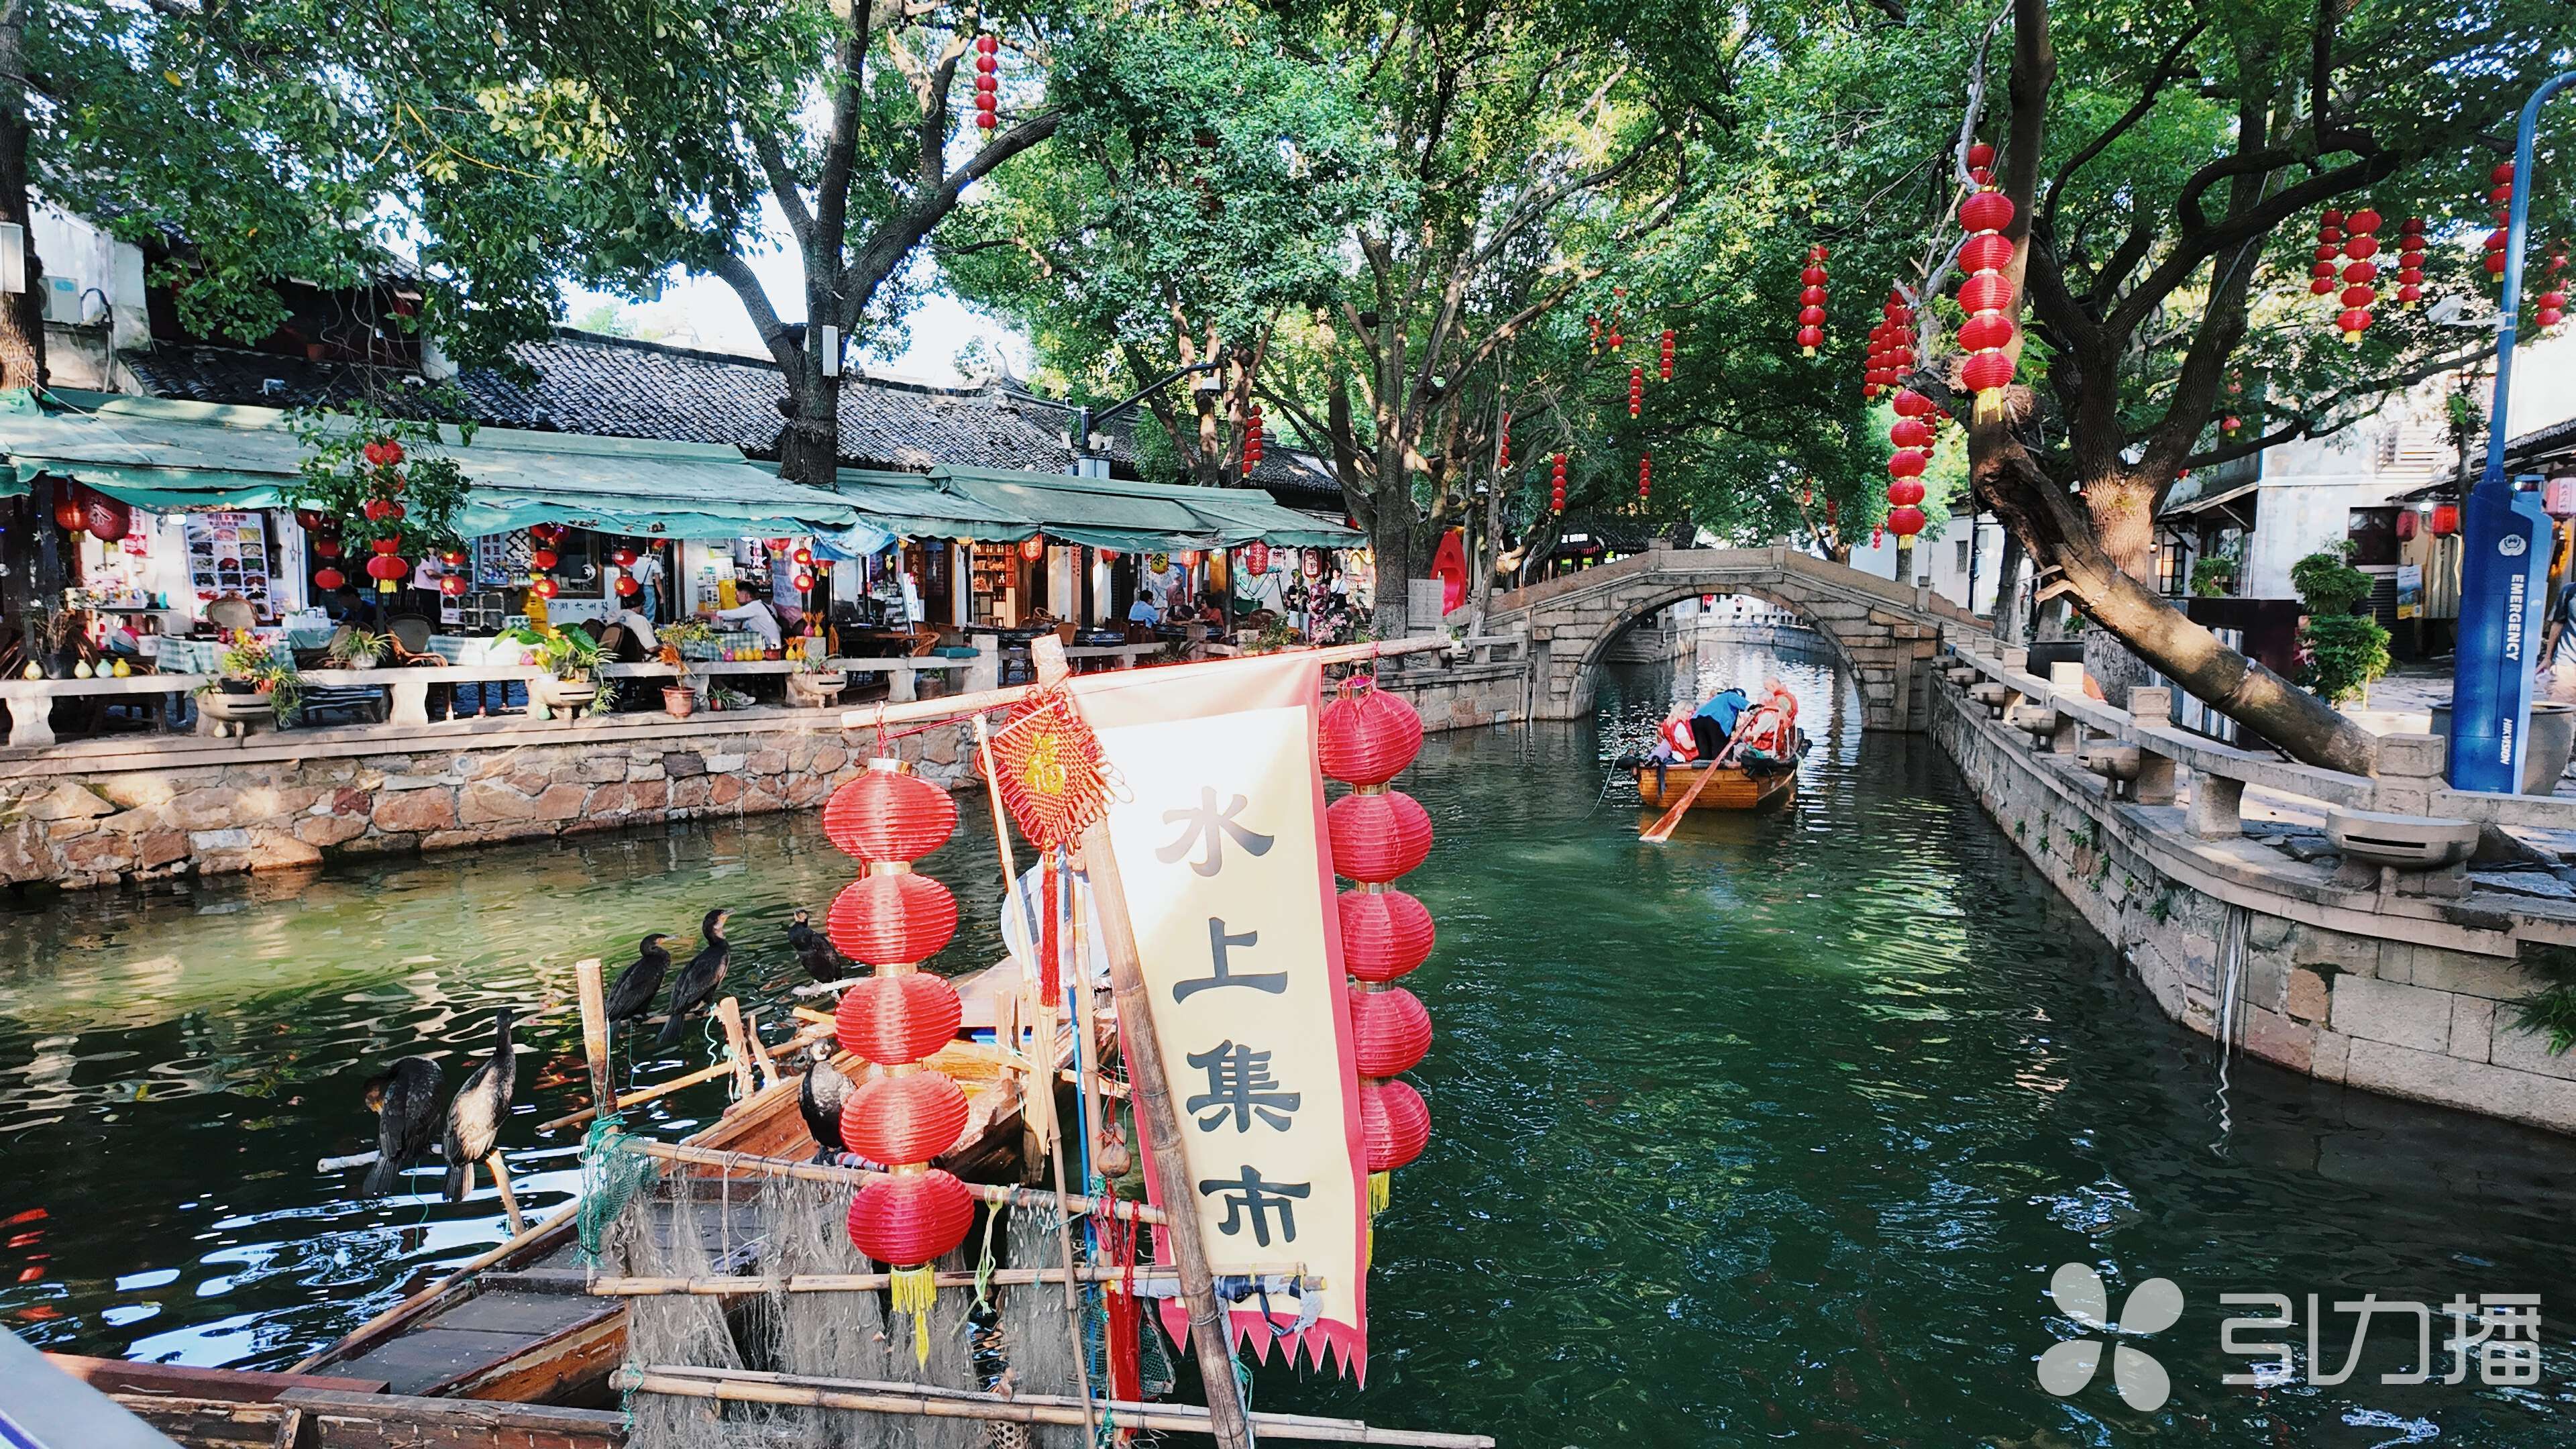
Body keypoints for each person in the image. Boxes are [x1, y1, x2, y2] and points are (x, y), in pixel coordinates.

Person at [1648, 702, 1698, 796]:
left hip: (1675, 753)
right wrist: (1702, 741)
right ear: (1681, 711)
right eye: (1688, 712)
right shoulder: (1680, 726)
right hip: (1683, 757)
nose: (1690, 715)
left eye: (1692, 712)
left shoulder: (1669, 722)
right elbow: (1687, 746)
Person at [1690, 686, 1750, 759]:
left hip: (1696, 719)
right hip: (1714, 720)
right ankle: (1719, 765)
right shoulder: (1730, 695)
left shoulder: (1717, 699)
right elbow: (1745, 705)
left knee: (1704, 749)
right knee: (1719, 750)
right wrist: (1754, 707)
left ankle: (1704, 763)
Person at [2542, 578, 2576, 704]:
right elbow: (2557, 624)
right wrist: (2548, 658)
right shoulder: (2569, 590)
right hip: (2567, 663)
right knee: (2560, 711)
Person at [714, 596, 783, 650]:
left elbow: (733, 615)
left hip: (770, 649)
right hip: (770, 646)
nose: (735, 598)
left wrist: (714, 614)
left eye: (737, 594)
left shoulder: (755, 606)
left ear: (747, 596)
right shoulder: (765, 607)